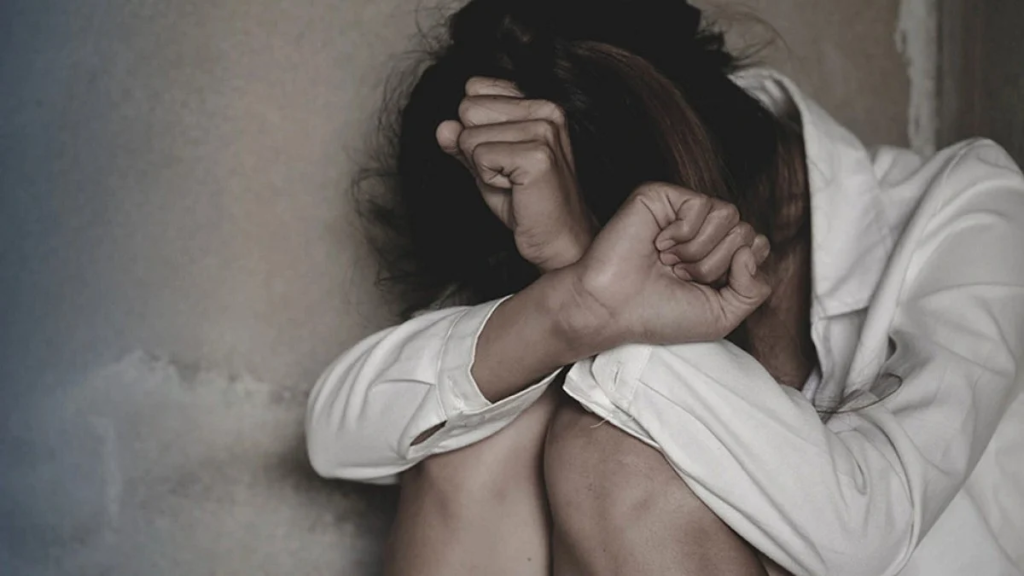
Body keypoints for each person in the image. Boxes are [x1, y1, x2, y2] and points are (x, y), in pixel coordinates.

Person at [305, 0, 1024, 574]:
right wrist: (575, 300)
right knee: (483, 433)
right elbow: (338, 434)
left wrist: (587, 273)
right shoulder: (556, 224)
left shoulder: (963, 205)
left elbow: (868, 533)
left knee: (610, 455)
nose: (603, 272)